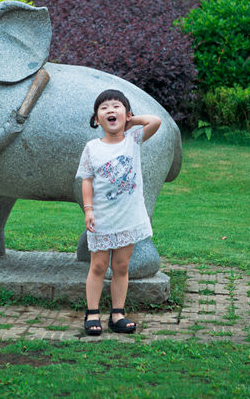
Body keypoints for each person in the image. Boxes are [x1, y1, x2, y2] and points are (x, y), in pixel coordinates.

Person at [75, 89, 161, 335]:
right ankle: (92, 313)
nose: (110, 110)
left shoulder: (133, 140)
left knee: (122, 266)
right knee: (99, 266)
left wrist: (130, 121)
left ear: (127, 114)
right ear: (96, 119)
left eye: (116, 107)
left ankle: (117, 314)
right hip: (102, 217)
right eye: (104, 108)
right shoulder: (92, 148)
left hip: (128, 216)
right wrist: (88, 210)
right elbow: (87, 180)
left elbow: (155, 121)